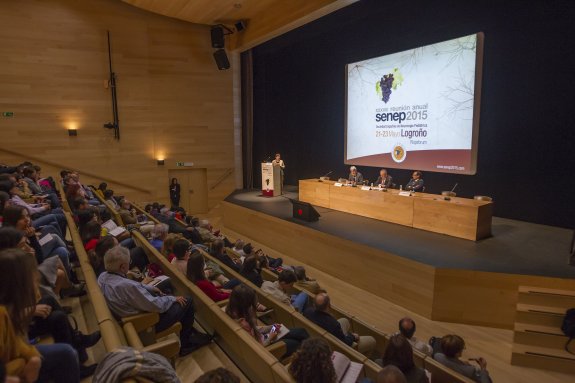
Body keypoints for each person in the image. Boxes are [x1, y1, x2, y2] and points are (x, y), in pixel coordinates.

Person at [98, 245, 208, 356]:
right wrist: (172, 298)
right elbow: (156, 305)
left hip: (136, 313)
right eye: (129, 262)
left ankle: (187, 328)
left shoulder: (102, 277)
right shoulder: (126, 286)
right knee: (187, 300)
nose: (130, 264)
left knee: (166, 287)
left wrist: (150, 288)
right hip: (148, 321)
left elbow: (132, 288)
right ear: (122, 267)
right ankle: (186, 343)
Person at [0, 248, 80, 383]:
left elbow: (17, 345)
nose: (37, 277)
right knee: (65, 353)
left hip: (14, 363)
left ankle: (78, 344)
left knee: (66, 353)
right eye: (32, 274)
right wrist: (16, 370)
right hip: (9, 369)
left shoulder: (8, 307)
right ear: (18, 282)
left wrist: (33, 358)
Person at [225, 284, 308, 359]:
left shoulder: (232, 310)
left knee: (300, 331)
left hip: (263, 336)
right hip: (266, 346)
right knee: (297, 343)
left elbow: (253, 329)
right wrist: (271, 337)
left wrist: (270, 327)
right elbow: (257, 347)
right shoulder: (243, 322)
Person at [304, 293, 376, 356]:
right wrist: (353, 337)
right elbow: (345, 343)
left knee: (345, 321)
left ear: (314, 305)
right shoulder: (333, 324)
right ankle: (357, 359)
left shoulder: (307, 311)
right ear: (329, 305)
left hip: (321, 337)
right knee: (372, 340)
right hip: (337, 346)